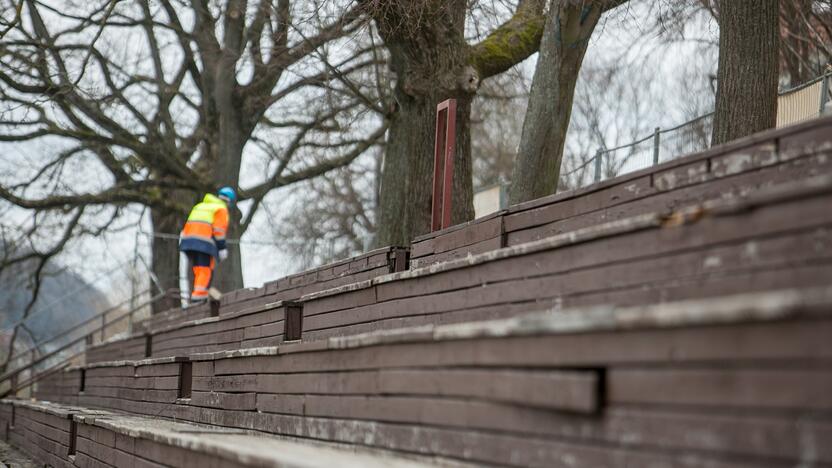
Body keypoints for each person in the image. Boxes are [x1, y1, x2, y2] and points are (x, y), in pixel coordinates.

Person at [179, 187, 236, 304]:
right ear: (229, 201)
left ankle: (197, 296)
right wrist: (222, 248)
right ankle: (198, 299)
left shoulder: (200, 206)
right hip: (203, 243)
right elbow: (218, 231)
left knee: (199, 270)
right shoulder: (221, 209)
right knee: (205, 270)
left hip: (187, 242)